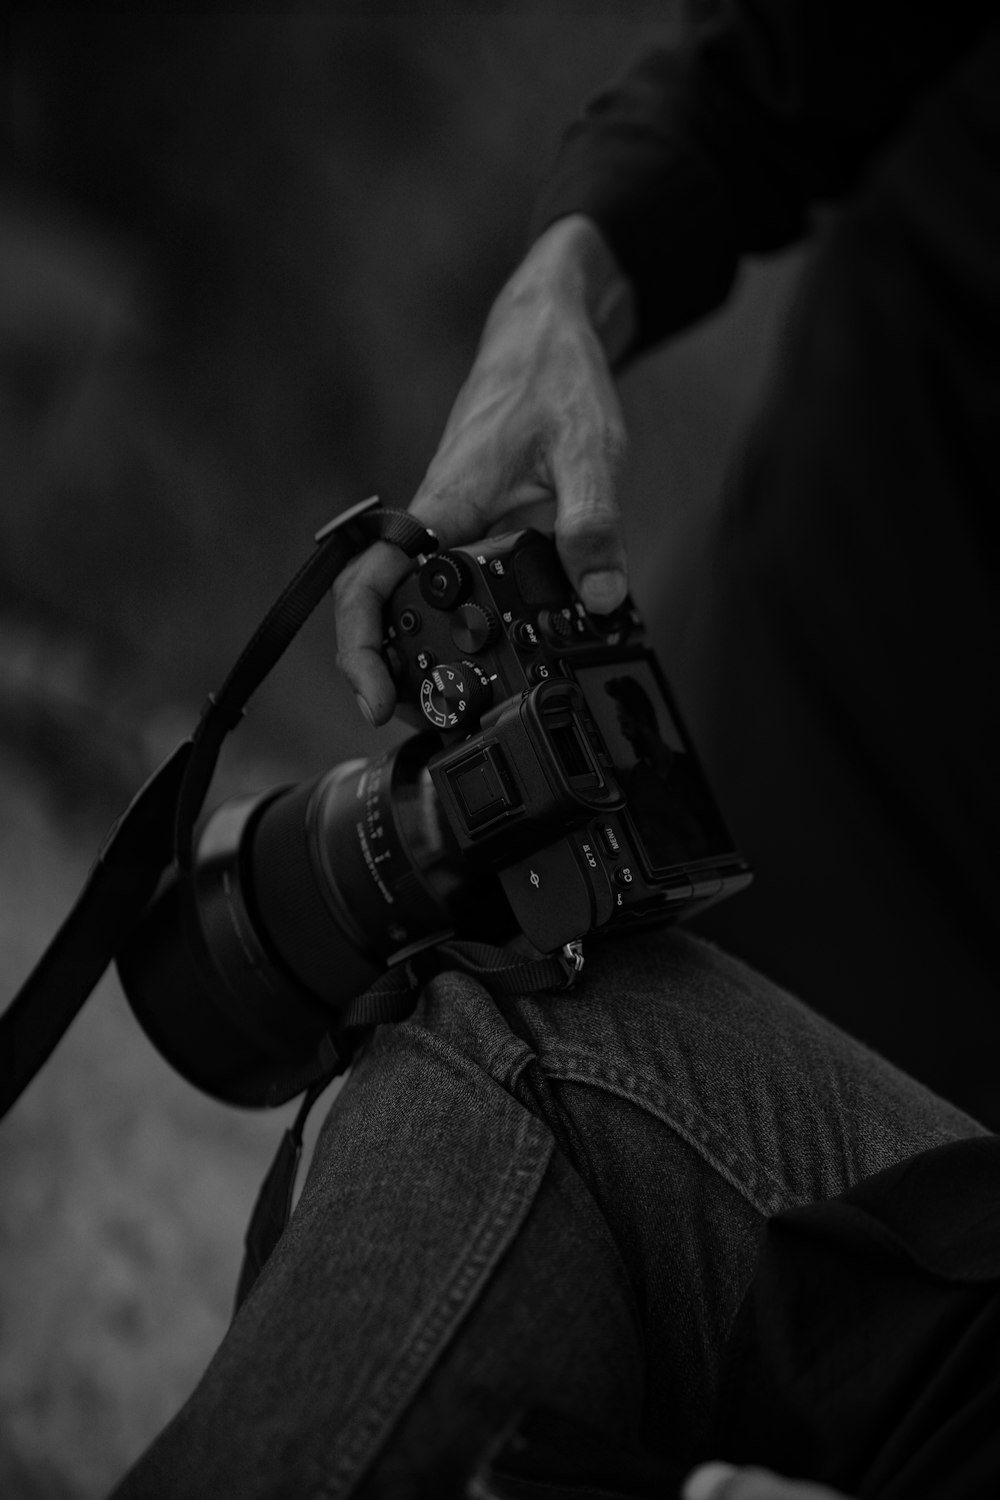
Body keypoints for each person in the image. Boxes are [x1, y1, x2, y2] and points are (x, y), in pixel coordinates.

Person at [110, 1, 1000, 1496]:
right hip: (804, 704)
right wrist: (561, 298)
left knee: (538, 1035)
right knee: (528, 981)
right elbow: (760, 83)